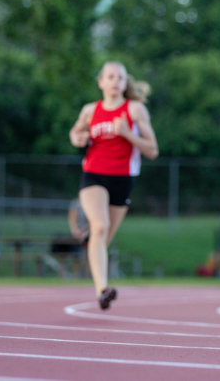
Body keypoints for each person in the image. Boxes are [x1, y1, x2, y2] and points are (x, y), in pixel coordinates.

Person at [69, 62, 159, 310]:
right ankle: (102, 290)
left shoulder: (135, 109)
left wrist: (127, 133)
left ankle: (92, 243)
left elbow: (152, 150)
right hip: (94, 175)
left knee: (103, 238)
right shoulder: (90, 110)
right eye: (110, 76)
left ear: (124, 83)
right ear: (101, 82)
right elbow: (75, 133)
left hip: (122, 178)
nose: (115, 81)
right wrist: (77, 137)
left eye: (120, 77)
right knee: (100, 227)